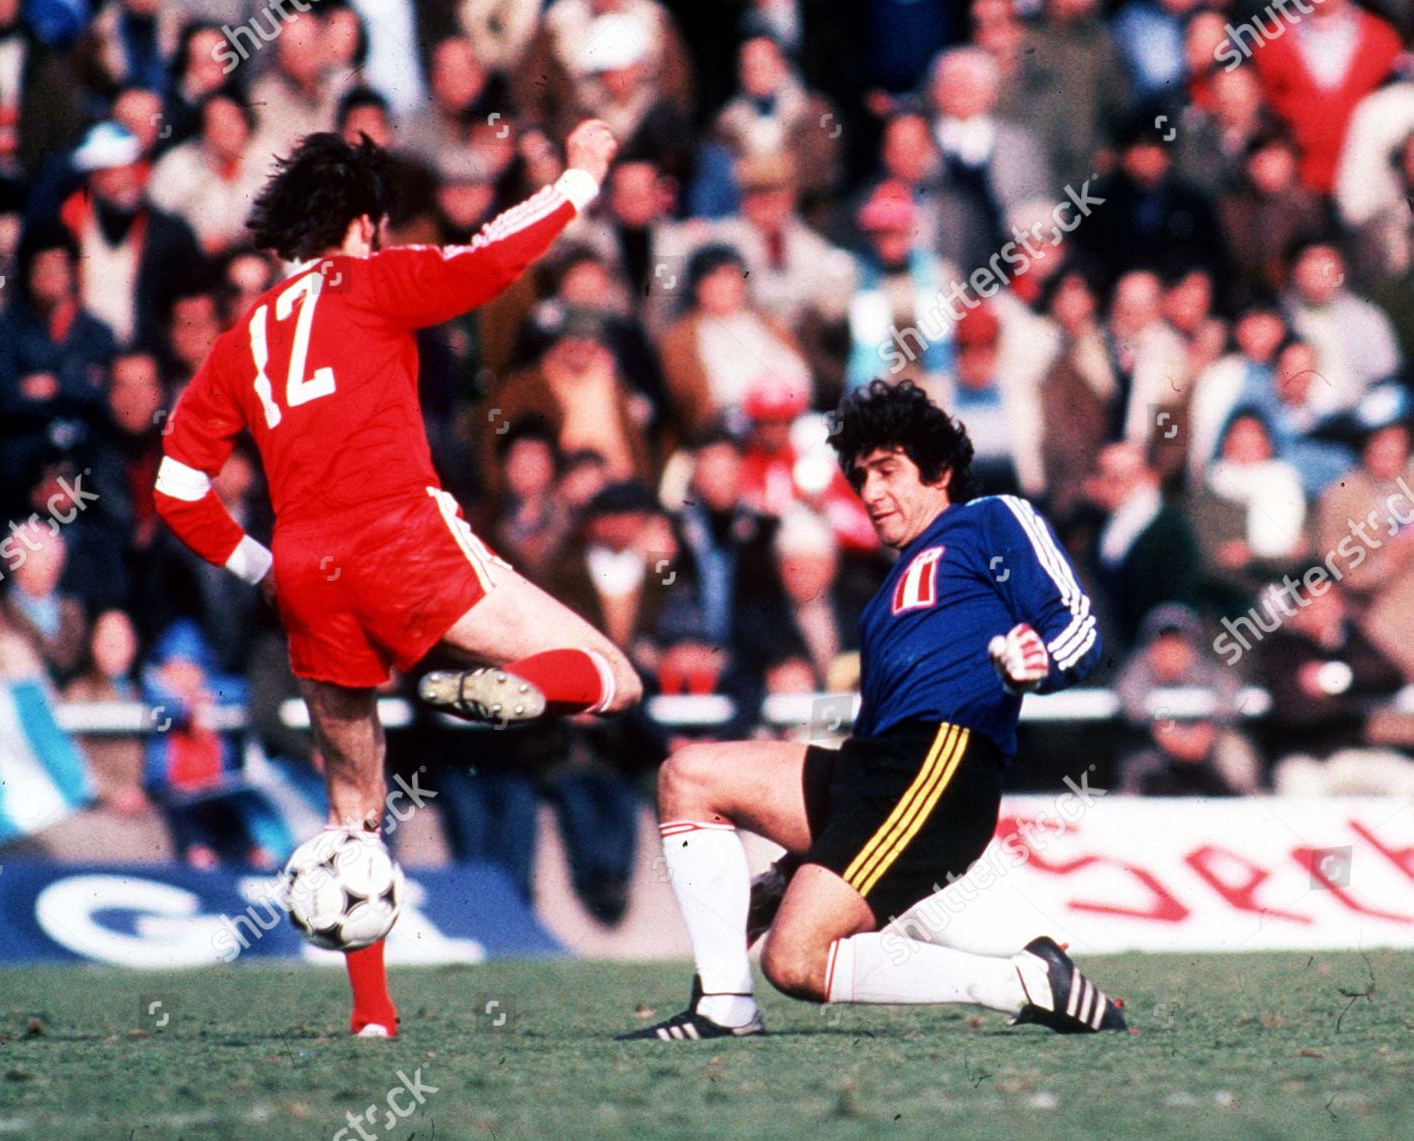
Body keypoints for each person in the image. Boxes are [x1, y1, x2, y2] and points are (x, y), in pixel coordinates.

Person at [153, 120, 643, 1041]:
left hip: (305, 569)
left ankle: (373, 1017)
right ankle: (516, 690)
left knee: (353, 808)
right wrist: (580, 178)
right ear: (365, 224)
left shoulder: (242, 338)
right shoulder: (373, 280)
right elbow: (493, 258)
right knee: (614, 675)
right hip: (400, 537)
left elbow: (177, 489)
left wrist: (260, 565)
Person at [618, 379, 1125, 1041]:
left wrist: (1043, 661)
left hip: (939, 761)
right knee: (690, 774)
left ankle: (1017, 982)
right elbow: (873, 738)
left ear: (940, 470)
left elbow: (1077, 623)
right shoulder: (884, 594)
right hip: (874, 769)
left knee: (795, 959)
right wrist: (799, 863)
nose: (872, 492)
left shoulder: (990, 518)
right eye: (861, 477)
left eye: (888, 470)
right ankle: (723, 1004)